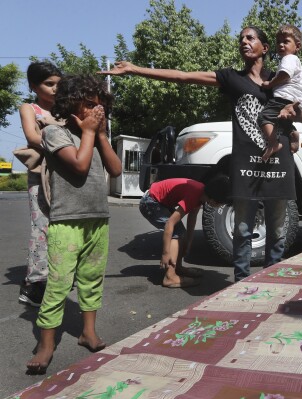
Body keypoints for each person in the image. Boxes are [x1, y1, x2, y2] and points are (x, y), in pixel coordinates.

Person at [100, 26, 302, 282]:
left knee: (277, 229)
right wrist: (135, 69)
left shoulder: (281, 79)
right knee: (242, 229)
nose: (243, 41)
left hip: (278, 162)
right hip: (246, 167)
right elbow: (183, 77)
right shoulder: (232, 78)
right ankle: (241, 282)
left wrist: (294, 114)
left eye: (250, 38)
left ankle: (272, 280)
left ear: (265, 48)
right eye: (241, 38)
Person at [26, 75, 122, 374]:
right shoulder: (55, 133)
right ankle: (46, 345)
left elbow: (115, 169)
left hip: (97, 217)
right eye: (90, 104)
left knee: (92, 277)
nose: (97, 111)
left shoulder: (96, 133)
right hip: (66, 221)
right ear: (71, 103)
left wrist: (102, 135)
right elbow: (79, 166)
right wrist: (91, 132)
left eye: (101, 106)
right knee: (58, 284)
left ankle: (87, 332)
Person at [17, 61, 63, 307]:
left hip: (63, 174)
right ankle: (34, 284)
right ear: (34, 86)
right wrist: (59, 134)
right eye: (49, 84)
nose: (55, 89)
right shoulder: (29, 107)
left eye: (58, 84)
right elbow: (32, 137)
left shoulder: (63, 108)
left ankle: (56, 274)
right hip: (40, 174)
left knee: (61, 225)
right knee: (41, 225)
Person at [139, 176, 231, 288]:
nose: (218, 207)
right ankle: (170, 276)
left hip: (158, 201)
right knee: (176, 232)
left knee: (181, 232)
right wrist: (165, 253)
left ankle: (177, 268)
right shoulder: (194, 195)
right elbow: (169, 224)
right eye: (219, 204)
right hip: (150, 202)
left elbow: (192, 217)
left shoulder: (201, 194)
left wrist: (189, 242)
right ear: (213, 200)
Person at [259, 24, 302, 161]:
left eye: (285, 41)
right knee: (282, 121)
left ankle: (273, 143)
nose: (281, 45)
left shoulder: (289, 59)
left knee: (264, 117)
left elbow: (285, 75)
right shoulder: (295, 62)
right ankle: (292, 133)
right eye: (278, 42)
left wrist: (270, 84)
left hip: (284, 97)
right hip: (296, 100)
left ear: (297, 46)